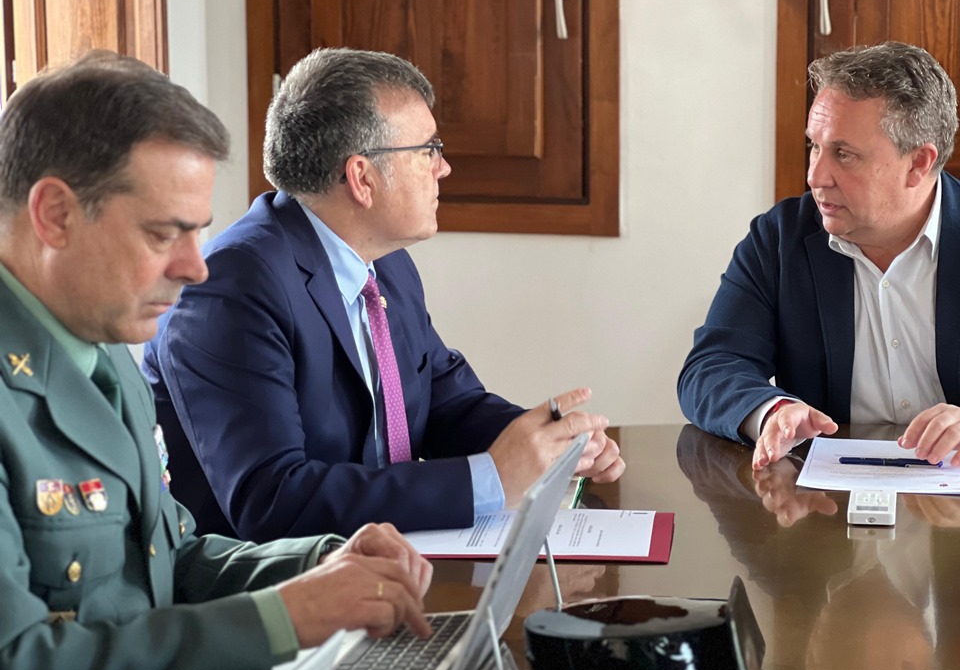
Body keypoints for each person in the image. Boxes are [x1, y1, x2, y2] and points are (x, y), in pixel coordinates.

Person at [0, 51, 435, 670]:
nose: (195, 268)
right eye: (162, 234)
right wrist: (281, 619)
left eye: (198, 233)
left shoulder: (104, 344)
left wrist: (320, 564)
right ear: (55, 214)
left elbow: (167, 556)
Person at [143, 47, 624, 541]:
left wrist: (554, 444)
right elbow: (272, 498)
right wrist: (492, 479)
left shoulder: (385, 262)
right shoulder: (233, 286)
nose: (444, 169)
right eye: (429, 150)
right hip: (267, 590)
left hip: (374, 561)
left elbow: (443, 399)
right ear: (362, 177)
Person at [678, 41, 960, 470]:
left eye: (844, 154)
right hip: (826, 510)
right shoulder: (779, 238)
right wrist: (772, 411)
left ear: (919, 163)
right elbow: (712, 366)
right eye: (814, 146)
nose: (815, 176)